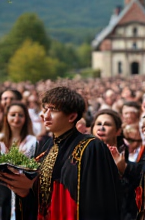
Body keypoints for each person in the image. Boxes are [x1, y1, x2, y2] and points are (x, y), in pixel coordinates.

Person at [0, 86, 122, 220]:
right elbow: (42, 201)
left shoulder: (91, 147)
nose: (44, 115)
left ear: (72, 116)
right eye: (45, 109)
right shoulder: (46, 148)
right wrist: (25, 191)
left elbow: (100, 202)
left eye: (52, 110)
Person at [0, 101, 37, 220]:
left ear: (26, 118)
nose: (16, 118)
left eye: (20, 115)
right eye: (13, 114)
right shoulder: (0, 139)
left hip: (22, 194)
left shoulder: (32, 141)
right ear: (6, 117)